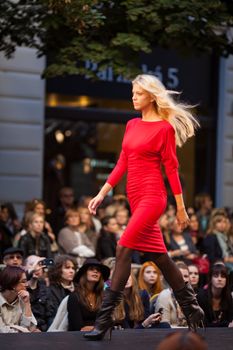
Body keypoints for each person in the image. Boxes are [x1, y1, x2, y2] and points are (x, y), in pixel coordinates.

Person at [84, 73, 203, 340]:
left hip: (153, 197)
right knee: (160, 256)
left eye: (138, 93)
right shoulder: (131, 125)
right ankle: (193, 308)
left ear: (151, 95)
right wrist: (102, 193)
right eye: (132, 92)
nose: (133, 97)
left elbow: (172, 169)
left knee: (123, 246)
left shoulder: (164, 128)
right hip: (135, 197)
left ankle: (103, 322)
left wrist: (181, 208)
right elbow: (122, 163)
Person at [67, 258, 110, 331]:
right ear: (84, 273)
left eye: (98, 270)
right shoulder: (74, 297)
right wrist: (99, 328)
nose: (95, 271)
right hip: (78, 339)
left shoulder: (104, 296)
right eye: (91, 269)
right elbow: (77, 328)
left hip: (101, 337)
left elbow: (107, 321)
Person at [0, 266, 37, 333]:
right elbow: (3, 331)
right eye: (23, 281)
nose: (27, 284)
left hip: (20, 340)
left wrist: (27, 303)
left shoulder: (23, 299)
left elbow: (31, 327)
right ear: (12, 284)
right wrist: (22, 330)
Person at [47, 255, 77, 324]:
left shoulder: (79, 288)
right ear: (58, 269)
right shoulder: (51, 289)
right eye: (67, 268)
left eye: (73, 268)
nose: (71, 271)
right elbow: (51, 314)